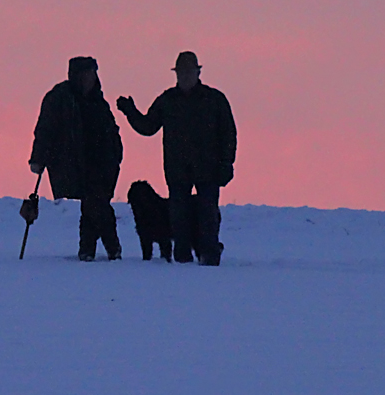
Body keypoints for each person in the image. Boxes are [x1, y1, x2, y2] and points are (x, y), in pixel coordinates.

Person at [116, 51, 236, 265]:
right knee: (178, 219)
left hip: (209, 170)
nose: (185, 76)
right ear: (176, 74)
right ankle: (182, 260)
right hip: (177, 170)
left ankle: (209, 257)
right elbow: (148, 127)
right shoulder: (167, 100)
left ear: (198, 72)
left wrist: (227, 164)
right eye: (182, 72)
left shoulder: (215, 100)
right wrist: (130, 112)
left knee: (207, 215)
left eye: (189, 72)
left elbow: (228, 134)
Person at [29, 56, 123, 261]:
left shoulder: (98, 101)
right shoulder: (59, 98)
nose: (91, 78)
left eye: (93, 73)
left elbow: (111, 130)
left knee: (95, 204)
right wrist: (38, 158)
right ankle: (108, 247)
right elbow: (45, 129)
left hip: (103, 163)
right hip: (75, 161)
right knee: (95, 203)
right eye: (87, 74)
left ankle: (90, 250)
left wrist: (116, 153)